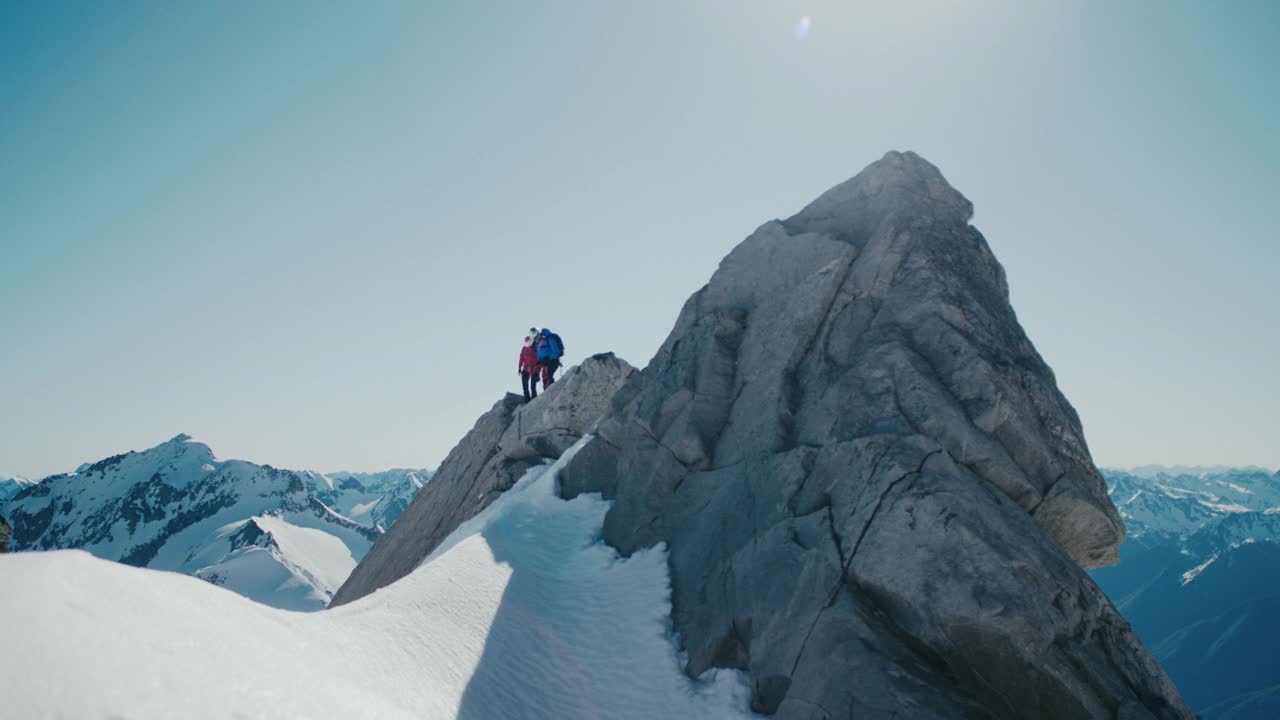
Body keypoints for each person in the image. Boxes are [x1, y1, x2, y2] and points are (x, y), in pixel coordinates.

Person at [518, 328, 540, 402]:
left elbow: (539, 358)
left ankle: (534, 400)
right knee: (525, 386)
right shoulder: (524, 348)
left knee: (532, 386)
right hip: (526, 368)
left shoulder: (536, 348)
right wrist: (519, 368)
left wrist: (538, 369)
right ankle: (527, 400)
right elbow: (521, 358)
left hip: (534, 369)